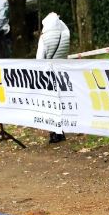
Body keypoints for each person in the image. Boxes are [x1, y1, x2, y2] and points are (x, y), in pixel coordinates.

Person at [36, 12, 70, 144]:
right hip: (62, 72)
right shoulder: (65, 34)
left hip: (48, 74)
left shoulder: (44, 38)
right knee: (61, 101)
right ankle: (62, 129)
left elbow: (39, 58)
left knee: (51, 104)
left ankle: (55, 133)